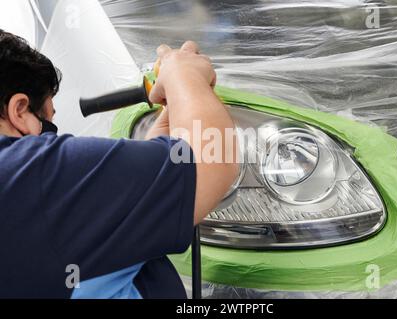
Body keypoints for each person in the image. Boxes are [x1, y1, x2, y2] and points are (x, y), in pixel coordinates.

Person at [0, 29, 239, 299]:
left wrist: (161, 156)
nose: (49, 141)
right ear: (19, 110)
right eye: (48, 125)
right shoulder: (27, 172)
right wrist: (184, 74)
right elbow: (212, 156)